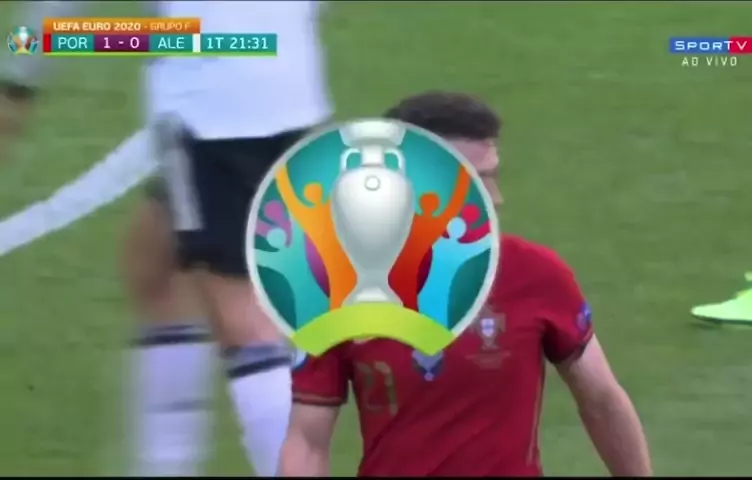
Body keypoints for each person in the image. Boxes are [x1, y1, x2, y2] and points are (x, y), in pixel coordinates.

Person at [279, 91, 652, 477]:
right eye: (475, 181)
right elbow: (307, 439)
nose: (496, 198)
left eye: (493, 176)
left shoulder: (535, 273)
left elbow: (602, 399)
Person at [148, 1, 332, 476]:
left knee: (245, 323)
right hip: (290, 85)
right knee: (152, 254)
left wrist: (26, 55)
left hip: (211, 110)